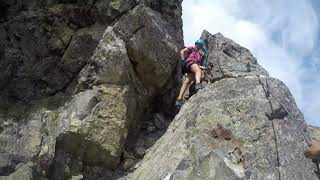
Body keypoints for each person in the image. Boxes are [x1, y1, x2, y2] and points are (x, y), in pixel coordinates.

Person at [175, 39, 206, 107]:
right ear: (196, 44)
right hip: (189, 62)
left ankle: (179, 100)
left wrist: (203, 57)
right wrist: (183, 60)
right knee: (198, 71)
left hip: (190, 66)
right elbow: (182, 51)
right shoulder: (192, 48)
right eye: (199, 45)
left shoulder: (199, 54)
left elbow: (200, 64)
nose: (200, 47)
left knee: (187, 81)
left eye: (201, 46)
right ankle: (198, 85)